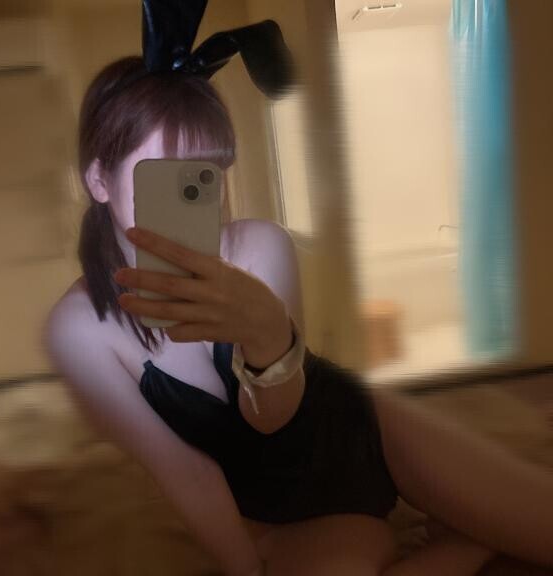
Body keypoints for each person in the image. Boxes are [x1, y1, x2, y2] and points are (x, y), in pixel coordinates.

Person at [43, 8, 553, 576]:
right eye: (162, 173)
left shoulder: (258, 247)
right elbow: (184, 470)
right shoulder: (78, 328)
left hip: (361, 430)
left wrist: (268, 335)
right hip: (276, 513)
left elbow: (275, 421)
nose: (190, 196)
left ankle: (475, 528)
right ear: (99, 179)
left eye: (204, 173)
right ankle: (468, 539)